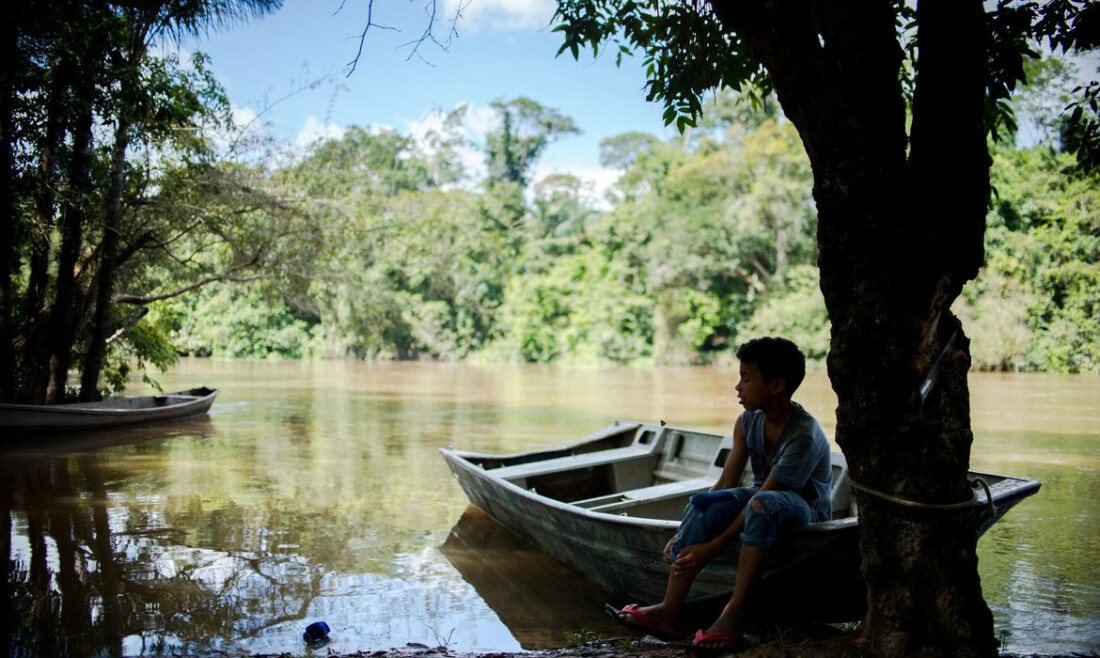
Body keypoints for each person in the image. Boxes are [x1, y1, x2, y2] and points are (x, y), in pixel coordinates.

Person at [605, 336, 832, 653]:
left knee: (761, 504)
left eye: (746, 378)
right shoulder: (747, 421)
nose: (738, 387)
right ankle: (669, 613)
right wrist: (684, 533)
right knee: (704, 502)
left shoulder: (803, 435)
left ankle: (733, 616)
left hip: (805, 512)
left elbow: (766, 495)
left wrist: (711, 548)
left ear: (777, 386)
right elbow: (725, 483)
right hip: (761, 500)